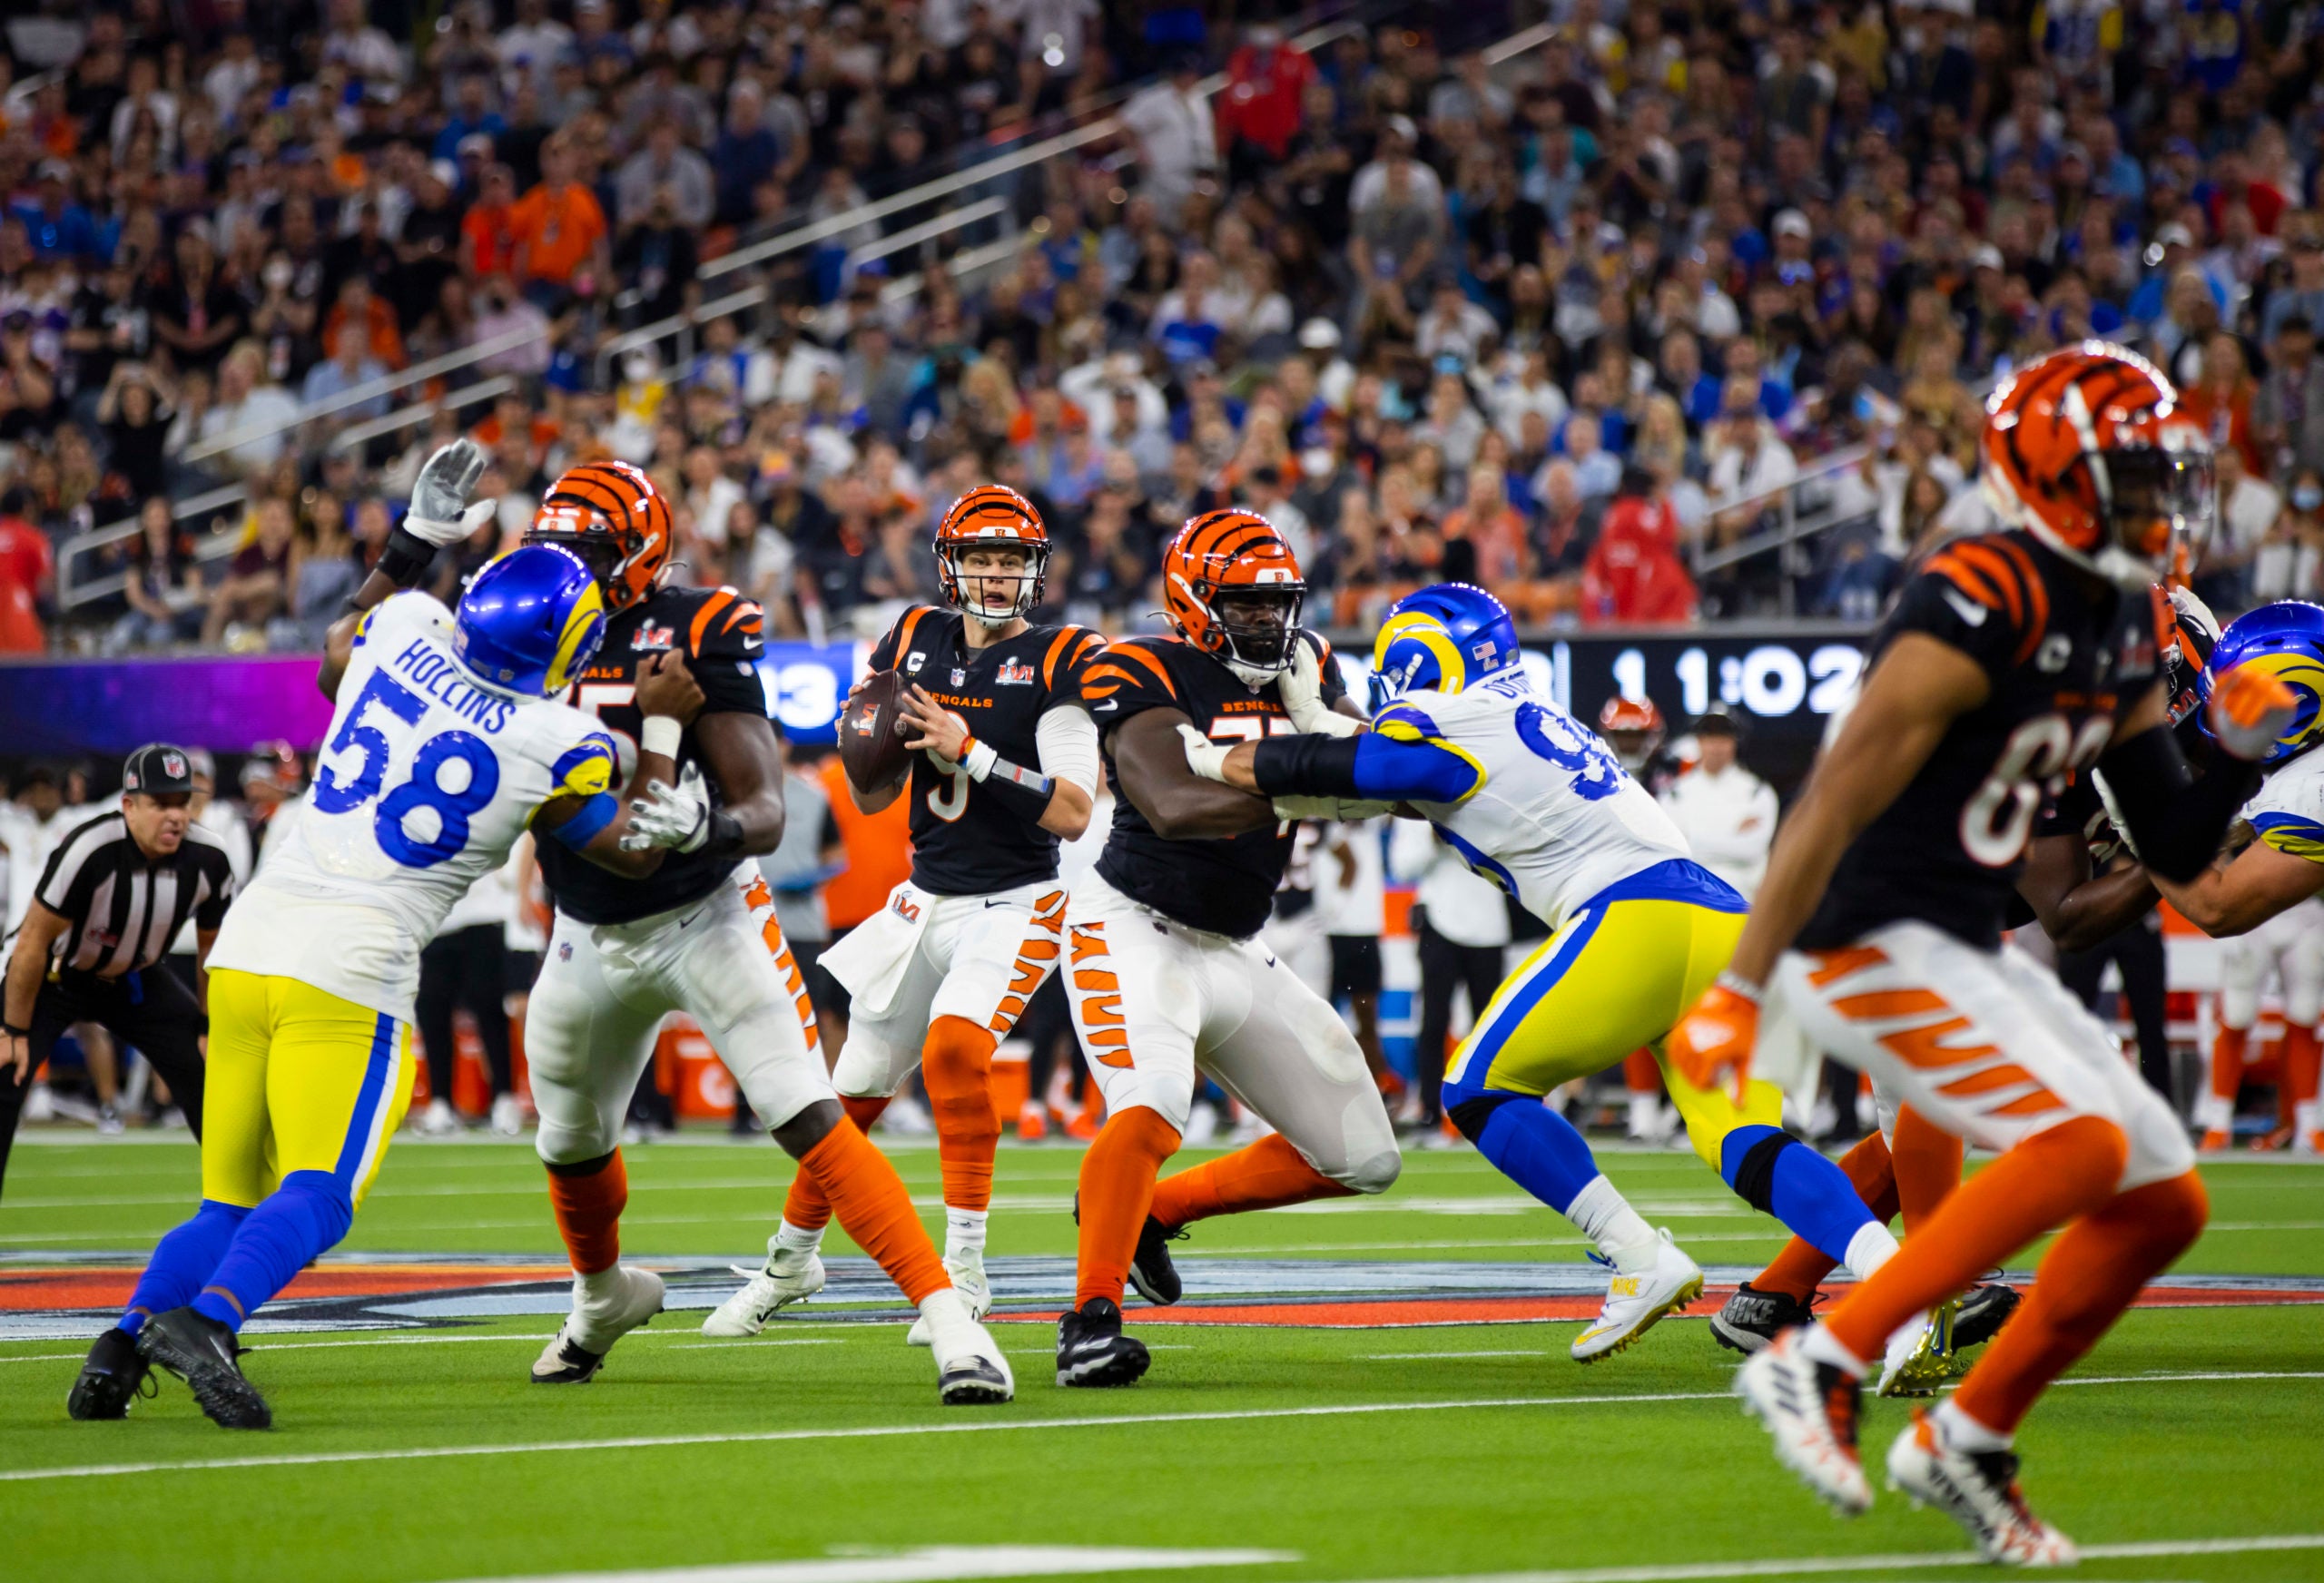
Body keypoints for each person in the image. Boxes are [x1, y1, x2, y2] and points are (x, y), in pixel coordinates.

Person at [1666, 344, 2278, 1560]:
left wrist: (2247, 752)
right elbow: (1832, 797)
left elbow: (2174, 845)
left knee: (2163, 1195)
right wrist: (1741, 992)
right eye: (2134, 475)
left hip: (1960, 940)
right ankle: (1825, 1360)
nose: (2160, 500)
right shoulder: (1982, 588)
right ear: (2055, 475)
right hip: (1864, 931)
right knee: (2081, 1143)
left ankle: (1967, 1440)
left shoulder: (2119, 620)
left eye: (2163, 474)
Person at [68, 483, 702, 1427]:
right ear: (564, 650)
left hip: (249, 943)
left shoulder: (405, 626)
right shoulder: (559, 738)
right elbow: (636, 845)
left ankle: (120, 1346)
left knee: (225, 1203)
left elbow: (334, 649)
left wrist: (409, 542)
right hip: (352, 964)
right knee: (319, 1196)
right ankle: (209, 1323)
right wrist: (660, 728)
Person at [1187, 585, 1904, 1364]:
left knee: (1476, 1088)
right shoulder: (1526, 714)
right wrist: (1323, 717)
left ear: (1417, 657)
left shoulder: (1445, 721)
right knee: (1750, 1140)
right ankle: (1902, 1290)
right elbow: (1375, 770)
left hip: (1636, 916)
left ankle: (1637, 1255)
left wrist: (1211, 756)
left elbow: (1341, 764)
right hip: (1722, 920)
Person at [518, 458, 1011, 1402]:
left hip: (705, 911)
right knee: (568, 1138)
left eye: (593, 550)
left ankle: (951, 1322)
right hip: (584, 922)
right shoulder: (515, 631)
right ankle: (597, 1300)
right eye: (561, 550)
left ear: (640, 552)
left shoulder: (693, 624)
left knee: (807, 1114)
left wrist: (701, 826)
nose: (573, 569)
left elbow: (763, 807)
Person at [707, 486, 1102, 1340]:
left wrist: (976, 752)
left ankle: (963, 1273)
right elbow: (876, 787)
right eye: (982, 558)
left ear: (1035, 571)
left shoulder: (1065, 655)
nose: (996, 575)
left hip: (1019, 898)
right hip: (922, 898)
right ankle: (790, 1260)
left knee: (958, 1053)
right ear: (950, 565)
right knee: (844, 1100)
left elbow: (1073, 808)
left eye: (1012, 560)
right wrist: (871, 749)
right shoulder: (913, 637)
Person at [1054, 511, 1403, 1386]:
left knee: (1365, 1157)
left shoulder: (1307, 663)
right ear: (1192, 601)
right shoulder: (1139, 664)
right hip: (1130, 919)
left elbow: (1384, 762)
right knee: (1153, 1102)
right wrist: (1314, 779)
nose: (1264, 620)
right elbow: (1174, 801)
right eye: (1243, 603)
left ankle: (1151, 1214)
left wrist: (1335, 749)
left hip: (1235, 940)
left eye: (1275, 602)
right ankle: (1089, 1319)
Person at [1, 746, 237, 1189]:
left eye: (182, 802)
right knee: (4, 1070)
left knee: (213, 1074)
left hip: (135, 977)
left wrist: (209, 1024)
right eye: (160, 804)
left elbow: (213, 949)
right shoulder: (91, 848)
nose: (175, 816)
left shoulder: (209, 858)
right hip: (57, 972)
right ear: (128, 806)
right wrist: (13, 1030)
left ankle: (255, 1213)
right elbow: (33, 940)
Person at [2143, 599, 2324, 1155]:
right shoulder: (2299, 775)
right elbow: (2239, 823)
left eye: (2241, 697)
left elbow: (2217, 908)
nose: (2224, 712)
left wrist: (2141, 827)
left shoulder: (2310, 792)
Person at [1391, 818, 1509, 1136]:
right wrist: (1433, 837)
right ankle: (1429, 1110)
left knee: (1489, 1025)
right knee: (1433, 1021)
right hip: (1439, 922)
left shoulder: (1487, 803)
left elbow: (1508, 856)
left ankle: (1492, 1105)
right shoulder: (1417, 807)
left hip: (1488, 925)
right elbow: (1402, 867)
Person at [1657, 708, 1777, 898]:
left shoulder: (1758, 792)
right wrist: (1732, 837)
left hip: (1745, 902)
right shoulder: (1674, 793)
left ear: (1735, 742)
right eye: (1709, 737)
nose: (1716, 746)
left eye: (1723, 738)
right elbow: (1674, 853)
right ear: (1698, 741)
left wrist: (1694, 839)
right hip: (1691, 900)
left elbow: (1752, 850)